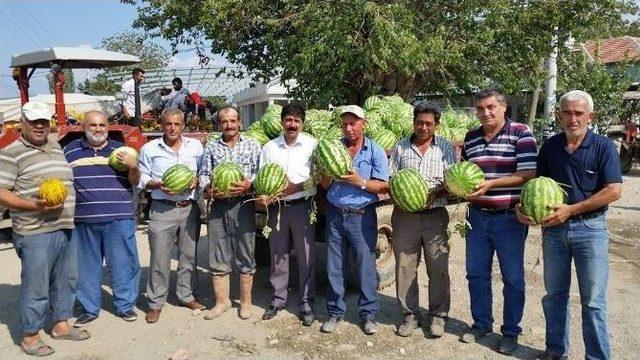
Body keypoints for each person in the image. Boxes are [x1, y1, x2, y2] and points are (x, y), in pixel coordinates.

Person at [516, 90, 622, 360]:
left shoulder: (603, 147)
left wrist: (571, 210)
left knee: (593, 302)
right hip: (554, 231)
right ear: (558, 115)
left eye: (578, 113)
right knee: (555, 296)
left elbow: (613, 191)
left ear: (590, 116)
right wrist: (522, 209)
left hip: (590, 230)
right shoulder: (551, 147)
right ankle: (555, 351)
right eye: (567, 112)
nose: (572, 118)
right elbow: (537, 186)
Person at [0, 102, 89, 357]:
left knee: (66, 279)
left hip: (64, 225)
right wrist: (34, 205)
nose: (40, 126)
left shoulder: (54, 146)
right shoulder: (10, 152)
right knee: (36, 285)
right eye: (34, 122)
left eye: (44, 121)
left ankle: (61, 324)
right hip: (35, 230)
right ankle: (30, 336)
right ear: (22, 123)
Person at [460, 89, 537, 355]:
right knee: (476, 274)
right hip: (477, 217)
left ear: (503, 107)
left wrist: (491, 183)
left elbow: (527, 173)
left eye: (491, 107)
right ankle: (481, 323)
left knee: (513, 277)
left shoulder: (521, 134)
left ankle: (511, 332)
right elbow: (463, 171)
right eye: (480, 108)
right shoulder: (471, 137)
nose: (485, 113)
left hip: (509, 218)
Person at [63, 110, 141, 327]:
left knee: (123, 264)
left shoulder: (122, 150)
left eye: (102, 125)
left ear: (108, 127)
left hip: (119, 218)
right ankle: (89, 308)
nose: (98, 129)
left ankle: (125, 306)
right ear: (83, 127)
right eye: (93, 125)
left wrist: (133, 166)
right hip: (83, 220)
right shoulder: (69, 151)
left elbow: (135, 181)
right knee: (86, 267)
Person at [319, 105, 389, 335]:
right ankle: (335, 313)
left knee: (364, 267)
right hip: (335, 214)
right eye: (345, 124)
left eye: (353, 123)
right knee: (334, 267)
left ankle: (369, 315)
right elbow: (325, 185)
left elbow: (382, 187)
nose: (348, 128)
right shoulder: (334, 148)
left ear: (363, 124)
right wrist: (328, 171)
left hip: (361, 216)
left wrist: (358, 181)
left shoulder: (375, 151)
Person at [388, 101, 456, 338]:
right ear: (413, 123)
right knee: (405, 266)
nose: (423, 127)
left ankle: (438, 316)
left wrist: (435, 193)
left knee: (438, 267)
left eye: (428, 123)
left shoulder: (445, 148)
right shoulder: (400, 148)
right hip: (405, 217)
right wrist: (402, 196)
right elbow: (390, 180)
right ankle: (410, 315)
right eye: (419, 122)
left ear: (436, 125)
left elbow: (453, 182)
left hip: (435, 215)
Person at [138, 107, 205, 323]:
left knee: (188, 257)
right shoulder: (149, 148)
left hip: (189, 208)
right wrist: (155, 183)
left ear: (183, 125)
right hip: (162, 207)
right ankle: (156, 303)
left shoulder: (195, 146)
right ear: (161, 125)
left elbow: (204, 171)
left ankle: (186, 295)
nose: (172, 128)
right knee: (159, 258)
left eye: (177, 124)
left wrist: (198, 180)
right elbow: (142, 177)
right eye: (168, 124)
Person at [198, 105, 261, 320]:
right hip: (218, 206)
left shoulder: (253, 145)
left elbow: (259, 174)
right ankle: (222, 302)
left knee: (246, 251)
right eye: (224, 121)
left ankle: (245, 302)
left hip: (243, 204)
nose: (229, 125)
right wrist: (208, 190)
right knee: (218, 253)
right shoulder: (212, 147)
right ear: (219, 124)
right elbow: (204, 174)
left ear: (240, 123)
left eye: (233, 121)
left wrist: (249, 186)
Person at [259, 103, 318, 326]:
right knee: (278, 255)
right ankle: (277, 300)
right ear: (281, 121)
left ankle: (306, 303)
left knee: (306, 256)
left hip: (303, 206)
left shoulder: (313, 145)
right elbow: (261, 177)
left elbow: (318, 176)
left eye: (296, 120)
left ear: (302, 123)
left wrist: (294, 188)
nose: (292, 124)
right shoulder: (270, 147)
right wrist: (264, 194)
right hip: (277, 209)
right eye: (288, 120)